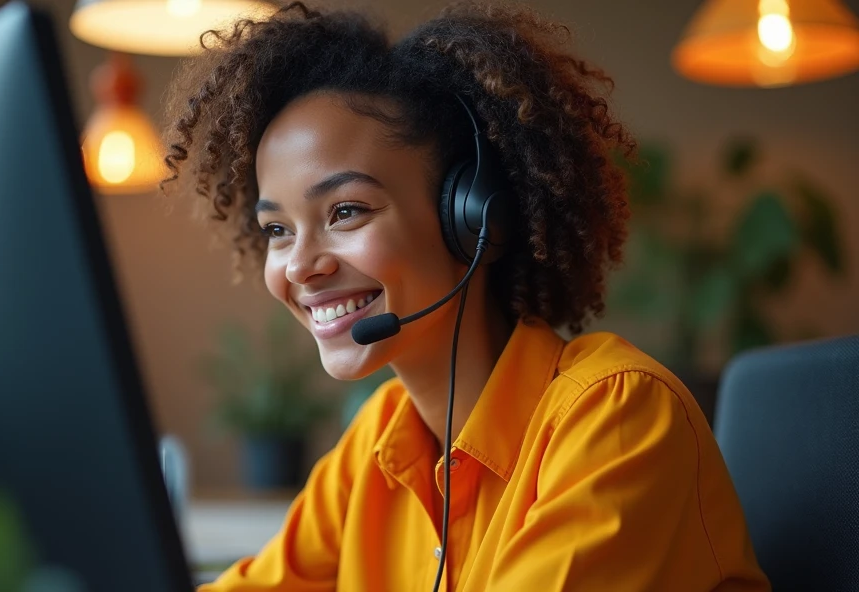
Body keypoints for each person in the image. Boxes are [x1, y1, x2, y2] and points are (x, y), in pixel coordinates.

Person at [160, 1, 771, 590]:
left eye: (346, 211)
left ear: (474, 219)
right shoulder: (378, 445)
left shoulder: (618, 416)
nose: (300, 265)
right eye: (277, 230)